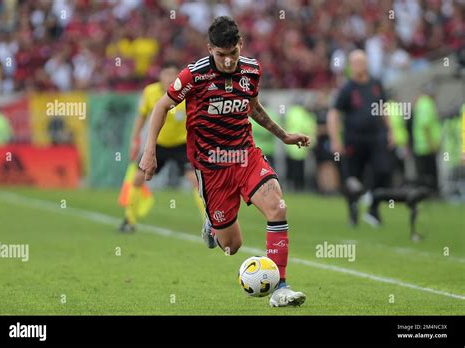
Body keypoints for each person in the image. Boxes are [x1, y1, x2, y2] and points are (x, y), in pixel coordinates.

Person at [139, 16, 310, 307]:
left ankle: (281, 286)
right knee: (232, 246)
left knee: (277, 207)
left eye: (233, 54)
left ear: (240, 45)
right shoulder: (194, 75)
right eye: (222, 55)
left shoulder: (252, 70)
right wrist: (149, 151)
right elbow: (162, 105)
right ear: (210, 49)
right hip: (211, 167)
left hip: (245, 156)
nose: (229, 62)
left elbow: (252, 108)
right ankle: (212, 223)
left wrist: (283, 136)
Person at [119, 62, 205, 232]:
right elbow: (141, 117)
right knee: (137, 178)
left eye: (173, 74)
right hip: (158, 145)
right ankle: (129, 219)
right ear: (160, 76)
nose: (170, 78)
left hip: (182, 145)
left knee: (197, 181)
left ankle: (209, 224)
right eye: (166, 74)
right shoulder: (150, 92)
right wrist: (134, 139)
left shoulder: (186, 91)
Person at [327, 49, 394, 227]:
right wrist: (335, 139)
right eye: (355, 62)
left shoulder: (376, 84)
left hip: (376, 136)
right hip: (354, 139)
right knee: (353, 178)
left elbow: (383, 108)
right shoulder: (347, 88)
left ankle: (373, 208)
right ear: (350, 66)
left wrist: (390, 130)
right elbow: (334, 113)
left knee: (383, 169)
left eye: (362, 62)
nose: (359, 66)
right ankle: (353, 209)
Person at [412, 85, 442, 193]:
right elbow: (425, 126)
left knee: (424, 174)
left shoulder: (421, 103)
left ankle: (427, 194)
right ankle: (432, 194)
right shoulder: (426, 104)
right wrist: (432, 144)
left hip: (422, 145)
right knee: (430, 173)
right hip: (426, 146)